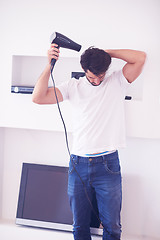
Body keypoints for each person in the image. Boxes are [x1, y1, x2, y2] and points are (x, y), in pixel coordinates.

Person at [32, 44, 146, 240]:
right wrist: (49, 65)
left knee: (112, 226)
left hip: (108, 165)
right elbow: (38, 97)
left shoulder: (117, 81)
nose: (97, 80)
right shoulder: (72, 87)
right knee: (80, 226)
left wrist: (105, 53)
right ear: (84, 70)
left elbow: (140, 57)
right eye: (92, 76)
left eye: (101, 75)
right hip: (78, 165)